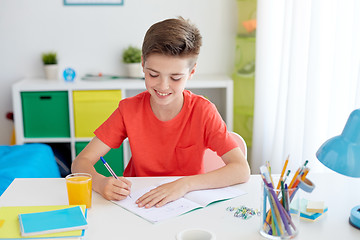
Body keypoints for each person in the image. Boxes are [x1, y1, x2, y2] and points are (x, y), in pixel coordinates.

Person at [71, 17, 250, 209]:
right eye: (153, 75)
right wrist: (99, 183)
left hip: (185, 203)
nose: (163, 86)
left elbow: (241, 170)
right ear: (142, 64)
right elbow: (80, 162)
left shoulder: (203, 112)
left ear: (191, 72)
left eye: (175, 77)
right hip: (138, 203)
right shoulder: (128, 110)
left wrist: (184, 184)